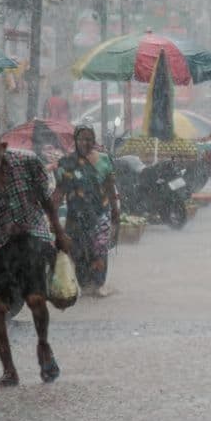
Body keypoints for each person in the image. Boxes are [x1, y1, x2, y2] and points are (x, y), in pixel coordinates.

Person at [0, 126, 73, 386]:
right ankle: (9, 371)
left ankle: (43, 345)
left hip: (30, 234)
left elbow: (46, 200)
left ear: (4, 148)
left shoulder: (28, 162)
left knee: (35, 300)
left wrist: (59, 231)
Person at [52, 126, 120, 298]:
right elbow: (59, 192)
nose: (85, 142)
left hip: (100, 214)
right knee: (78, 251)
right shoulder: (67, 163)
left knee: (99, 250)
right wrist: (51, 215)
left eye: (89, 139)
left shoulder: (104, 160)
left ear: (94, 140)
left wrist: (115, 213)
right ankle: (85, 285)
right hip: (76, 215)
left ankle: (97, 285)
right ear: (75, 140)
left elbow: (110, 188)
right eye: (81, 139)